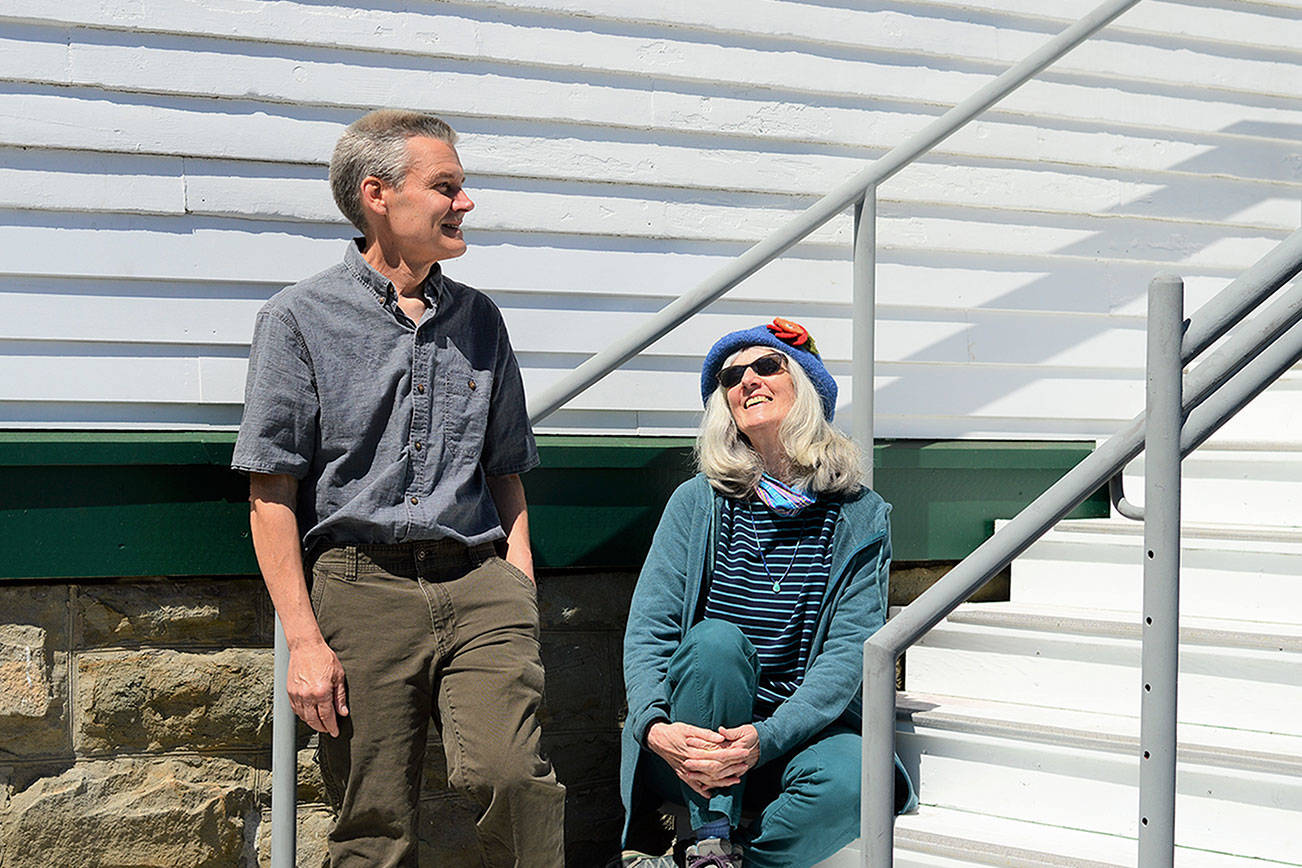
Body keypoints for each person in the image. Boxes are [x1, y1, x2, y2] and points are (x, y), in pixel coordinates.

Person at [232, 110, 565, 867]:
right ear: (377, 193)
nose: (466, 203)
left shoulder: (481, 320)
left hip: (480, 582)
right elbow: (269, 490)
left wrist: (519, 584)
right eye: (447, 186)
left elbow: (504, 467)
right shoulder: (297, 319)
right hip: (359, 589)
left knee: (513, 779)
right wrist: (304, 640)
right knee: (374, 817)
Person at [619, 318, 916, 868]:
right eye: (731, 376)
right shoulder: (697, 503)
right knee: (715, 644)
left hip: (796, 735)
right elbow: (650, 631)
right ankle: (710, 833)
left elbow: (849, 653)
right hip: (693, 737)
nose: (746, 381)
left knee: (860, 780)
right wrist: (655, 727)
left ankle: (725, 863)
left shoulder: (859, 515)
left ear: (806, 386)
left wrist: (765, 737)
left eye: (766, 366)